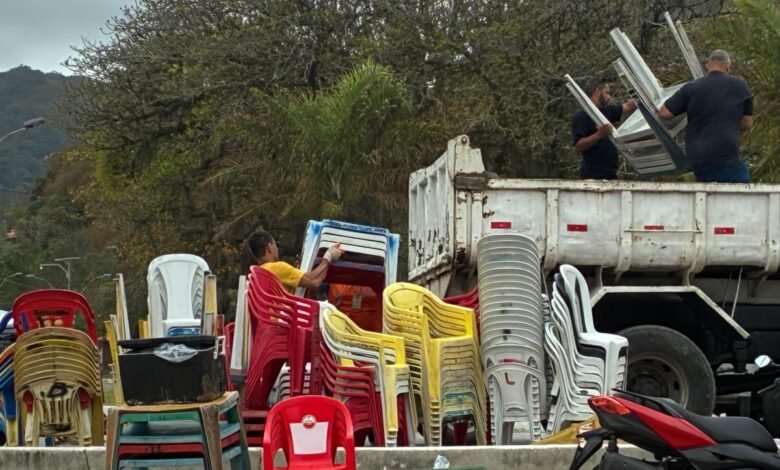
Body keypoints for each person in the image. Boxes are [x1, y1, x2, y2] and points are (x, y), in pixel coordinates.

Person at [658, 50, 753, 183]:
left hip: (699, 155)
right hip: (727, 152)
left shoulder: (691, 88)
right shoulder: (740, 85)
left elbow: (664, 113)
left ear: (707, 66)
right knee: (740, 193)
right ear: (727, 65)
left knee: (706, 192)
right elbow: (747, 123)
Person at [571, 77, 637, 180]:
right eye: (607, 93)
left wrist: (641, 96)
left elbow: (627, 107)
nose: (609, 97)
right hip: (593, 175)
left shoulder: (605, 111)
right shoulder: (581, 115)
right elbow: (579, 146)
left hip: (610, 174)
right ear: (597, 91)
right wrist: (599, 134)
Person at [247, 229, 343, 293]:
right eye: (275, 245)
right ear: (269, 248)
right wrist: (328, 257)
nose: (277, 248)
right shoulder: (277, 268)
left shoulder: (257, 273)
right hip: (281, 321)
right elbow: (314, 281)